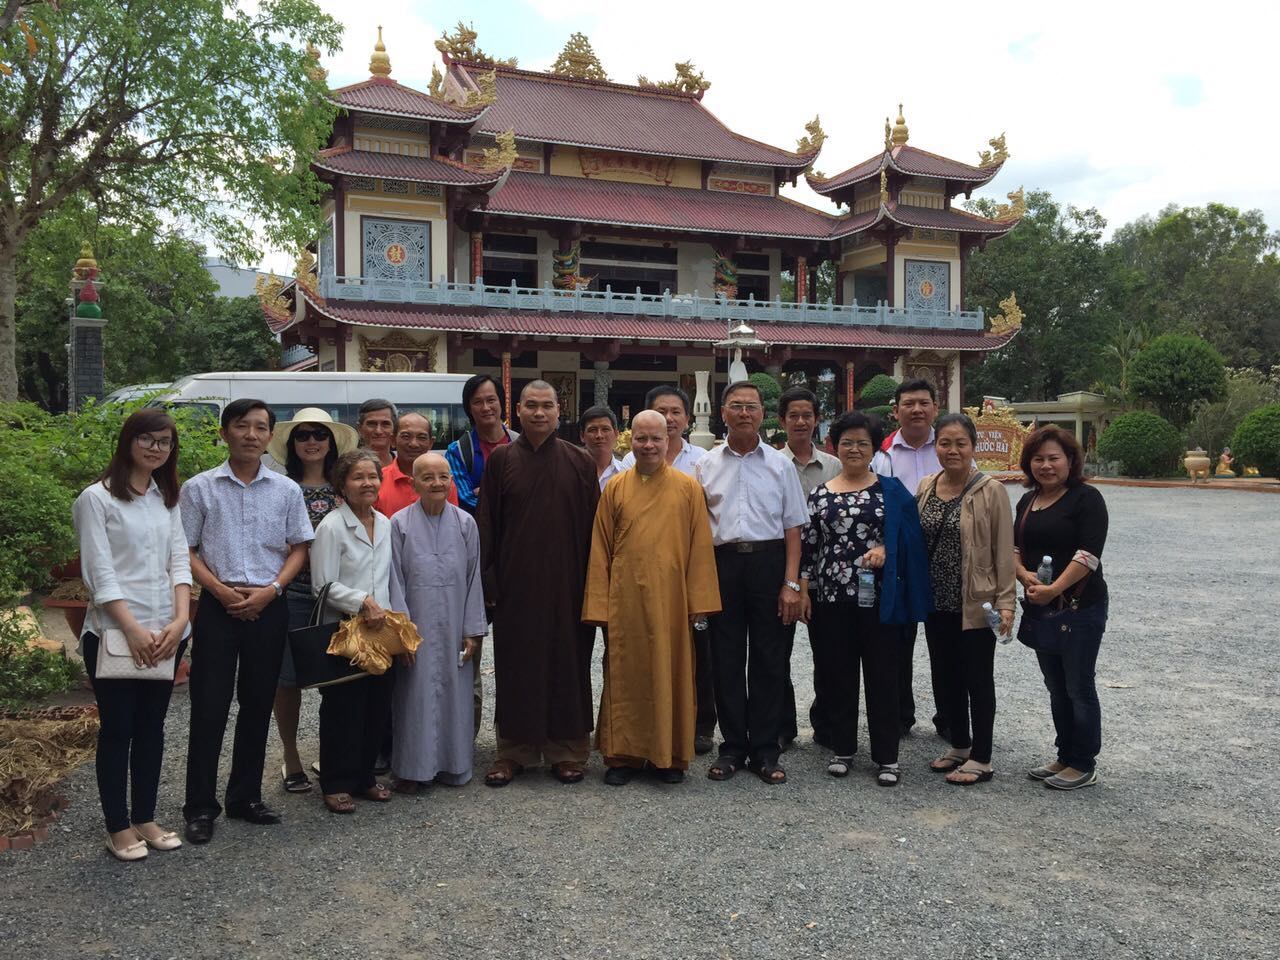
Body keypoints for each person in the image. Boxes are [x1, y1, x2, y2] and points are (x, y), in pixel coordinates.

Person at [180, 399, 314, 844]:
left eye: (260, 427)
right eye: (242, 426)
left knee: (257, 704)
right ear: (225, 433)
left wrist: (272, 590)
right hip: (217, 606)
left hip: (268, 604)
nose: (251, 435)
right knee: (209, 705)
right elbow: (185, 549)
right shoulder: (200, 488)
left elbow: (299, 546)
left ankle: (245, 797)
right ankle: (200, 807)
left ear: (270, 436)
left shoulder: (286, 490)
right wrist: (218, 590)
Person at [73, 409, 192, 861]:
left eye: (164, 442)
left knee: (152, 728)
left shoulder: (166, 498)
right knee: (118, 729)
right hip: (114, 634)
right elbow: (99, 573)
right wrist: (131, 628)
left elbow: (179, 561)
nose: (156, 448)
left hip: (166, 631)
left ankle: (144, 816)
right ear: (128, 441)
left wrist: (180, 621)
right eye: (147, 439)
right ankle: (117, 825)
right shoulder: (96, 499)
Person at [583, 411, 721, 785]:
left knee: (671, 672)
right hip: (625, 598)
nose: (648, 446)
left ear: (668, 439)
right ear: (631, 440)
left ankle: (669, 756)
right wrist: (599, 603)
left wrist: (699, 603)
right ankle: (623, 756)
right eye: (641, 438)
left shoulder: (687, 488)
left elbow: (700, 547)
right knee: (625, 673)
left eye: (656, 439)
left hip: (673, 600)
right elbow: (600, 548)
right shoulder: (616, 488)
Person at [478, 380, 599, 786]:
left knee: (569, 665)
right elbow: (488, 524)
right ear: (518, 410)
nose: (539, 413)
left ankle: (568, 751)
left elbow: (595, 531)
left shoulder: (580, 461)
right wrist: (489, 581)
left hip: (569, 584)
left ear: (559, 411)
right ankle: (514, 751)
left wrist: (594, 586)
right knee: (517, 666)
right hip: (517, 585)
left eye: (547, 405)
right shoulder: (501, 460)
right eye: (531, 405)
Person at [799, 411, 931, 787]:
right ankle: (842, 748)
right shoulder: (821, 493)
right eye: (847, 443)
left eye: (862, 443)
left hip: (880, 600)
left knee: (883, 675)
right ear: (835, 447)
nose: (854, 449)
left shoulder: (891, 491)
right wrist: (803, 590)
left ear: (874, 449)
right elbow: (810, 547)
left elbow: (910, 538)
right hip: (831, 598)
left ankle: (887, 756)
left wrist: (887, 549)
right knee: (838, 673)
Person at [695, 381, 807, 785]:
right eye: (736, 406)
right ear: (722, 412)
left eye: (751, 406)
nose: (744, 413)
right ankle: (732, 747)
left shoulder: (780, 464)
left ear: (763, 414)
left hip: (769, 563)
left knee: (769, 658)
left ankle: (764, 748)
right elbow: (697, 528)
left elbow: (793, 527)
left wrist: (791, 583)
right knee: (724, 658)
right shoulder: (706, 464)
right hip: (722, 564)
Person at [917, 413, 1015, 786]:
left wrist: (1007, 602)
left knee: (978, 678)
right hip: (935, 601)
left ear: (973, 447)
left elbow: (1003, 550)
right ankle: (959, 744)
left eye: (961, 443)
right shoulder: (927, 485)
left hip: (976, 601)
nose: (952, 450)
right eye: (945, 443)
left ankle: (982, 757)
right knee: (946, 676)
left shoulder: (991, 490)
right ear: (936, 446)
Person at [264, 408, 358, 795]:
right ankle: (291, 756)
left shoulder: (345, 488)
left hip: (338, 596)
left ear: (332, 442)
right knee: (286, 681)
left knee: (337, 681)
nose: (312, 441)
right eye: (302, 435)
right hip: (293, 595)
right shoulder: (279, 489)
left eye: (320, 434)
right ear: (292, 444)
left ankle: (331, 755)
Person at [619, 384, 716, 755]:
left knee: (690, 662)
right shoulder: (622, 477)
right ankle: (629, 745)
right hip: (633, 586)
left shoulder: (701, 465)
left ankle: (688, 736)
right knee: (631, 663)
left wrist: (700, 596)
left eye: (676, 412)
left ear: (686, 419)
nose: (650, 444)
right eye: (662, 412)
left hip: (678, 582)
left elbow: (702, 536)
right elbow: (605, 541)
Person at [1014, 426, 1109, 791]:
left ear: (1070, 460)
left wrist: (1054, 588)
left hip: (1079, 606)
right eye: (1038, 459)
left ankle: (1083, 762)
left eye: (1054, 458)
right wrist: (1023, 575)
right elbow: (1015, 548)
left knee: (1078, 685)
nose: (1046, 465)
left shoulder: (1087, 499)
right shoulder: (1028, 501)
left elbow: (1088, 555)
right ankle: (1064, 753)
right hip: (1042, 606)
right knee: (1055, 684)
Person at [388, 452, 486, 791]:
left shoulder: (465, 523)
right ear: (414, 483)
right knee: (413, 696)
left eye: (443, 476)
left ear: (451, 482)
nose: (436, 483)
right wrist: (402, 633)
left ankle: (454, 766)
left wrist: (472, 631)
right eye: (427, 477)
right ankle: (413, 771)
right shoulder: (399, 524)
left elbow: (474, 579)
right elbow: (394, 581)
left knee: (455, 695)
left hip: (455, 625)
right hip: (416, 628)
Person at [310, 450, 395, 813]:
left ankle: (365, 778)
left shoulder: (385, 523)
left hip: (381, 631)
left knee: (377, 707)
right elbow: (322, 585)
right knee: (343, 708)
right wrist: (362, 601)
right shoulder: (331, 526)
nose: (367, 483)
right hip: (345, 630)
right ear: (342, 485)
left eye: (372, 476)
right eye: (358, 477)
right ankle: (335, 781)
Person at [870, 377, 945, 738]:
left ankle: (950, 719)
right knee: (898, 643)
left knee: (946, 643)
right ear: (895, 410)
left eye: (923, 403)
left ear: (935, 408)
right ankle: (900, 715)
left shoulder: (949, 447)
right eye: (909, 404)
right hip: (899, 561)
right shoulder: (882, 456)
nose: (916, 410)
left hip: (944, 558)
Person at [777, 385, 841, 750]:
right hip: (783, 570)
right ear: (782, 420)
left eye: (807, 415)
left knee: (829, 652)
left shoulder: (834, 466)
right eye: (793, 416)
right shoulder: (772, 463)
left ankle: (827, 723)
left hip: (826, 571)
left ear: (817, 419)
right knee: (777, 652)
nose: (800, 422)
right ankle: (782, 725)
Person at [446, 373, 519, 517]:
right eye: (477, 402)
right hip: (479, 529)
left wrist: (485, 491)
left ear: (501, 402)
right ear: (469, 408)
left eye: (491, 400)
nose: (486, 408)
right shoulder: (457, 452)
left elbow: (531, 492)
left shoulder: (520, 443)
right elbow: (465, 499)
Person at [374, 411, 457, 517]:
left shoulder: (444, 483)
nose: (413, 444)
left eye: (421, 437)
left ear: (431, 443)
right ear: (393, 440)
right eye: (406, 436)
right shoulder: (377, 481)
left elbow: (451, 523)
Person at [580, 404, 624, 490]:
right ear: (582, 436)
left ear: (616, 434)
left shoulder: (624, 472)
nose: (599, 435)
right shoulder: (571, 472)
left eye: (605, 429)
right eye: (593, 430)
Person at [356, 399, 397, 468]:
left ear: (394, 428)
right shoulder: (348, 467)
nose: (378, 431)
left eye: (385, 424)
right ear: (360, 429)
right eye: (372, 424)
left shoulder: (406, 465)